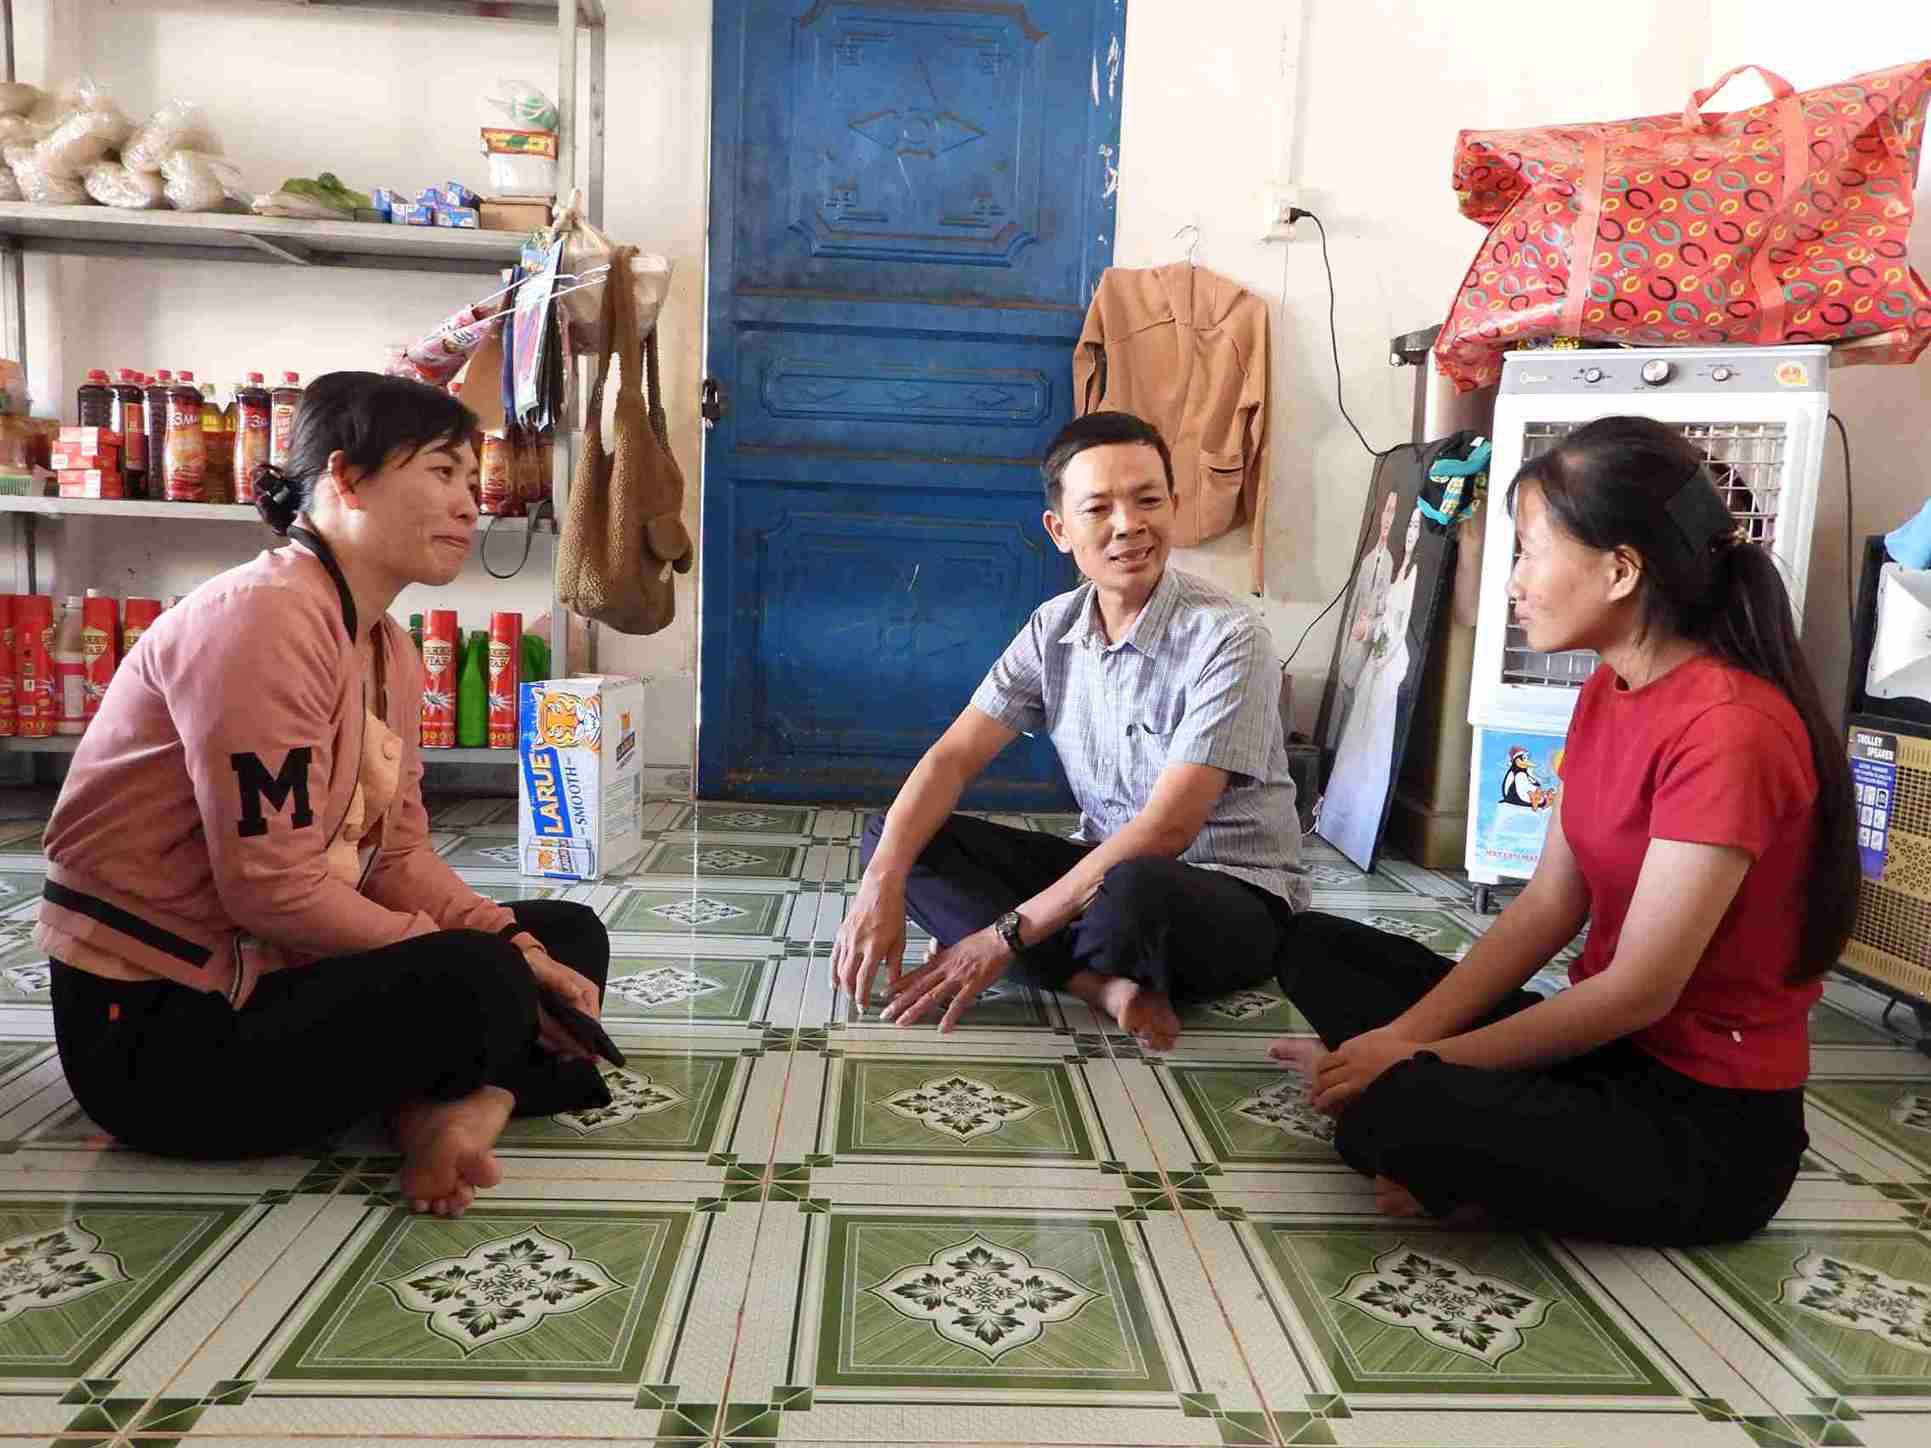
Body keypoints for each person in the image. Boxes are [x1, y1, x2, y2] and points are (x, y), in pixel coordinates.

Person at [1272, 415, 1857, 1245]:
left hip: (1705, 1128)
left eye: (1528, 552)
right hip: (1602, 1055)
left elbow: (1637, 991)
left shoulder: (1730, 729)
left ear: (1620, 570)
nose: (1512, 581)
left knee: (1394, 1110)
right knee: (1319, 948)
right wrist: (1398, 1038)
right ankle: (1438, 1140)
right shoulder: (1605, 693)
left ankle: (1440, 1153)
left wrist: (1410, 1067)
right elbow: (1546, 907)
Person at [39, 372, 612, 1219]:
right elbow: (268, 889)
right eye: (441, 473)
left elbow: (402, 855)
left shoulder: (382, 643)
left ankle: (445, 1111)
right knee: (482, 978)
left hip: (271, 969)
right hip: (159, 1035)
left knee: (564, 934)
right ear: (345, 478)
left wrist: (510, 942)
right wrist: (490, 961)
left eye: (468, 478)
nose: (468, 506)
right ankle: (454, 1101)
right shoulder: (261, 620)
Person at [832, 411, 1308, 1049]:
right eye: (1099, 508)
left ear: (1174, 506)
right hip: (1102, 871)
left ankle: (1056, 960)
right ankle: (1100, 987)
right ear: (1059, 529)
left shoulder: (1229, 636)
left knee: (1134, 897)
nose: (1128, 525)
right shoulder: (1052, 627)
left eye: (1147, 501)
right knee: (893, 838)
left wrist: (999, 934)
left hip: (1227, 892)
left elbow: (1168, 830)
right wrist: (878, 886)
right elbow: (952, 758)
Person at [1316, 503, 1424, 867]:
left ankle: (1361, 819)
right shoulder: (1379, 562)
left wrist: (1376, 635)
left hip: (1388, 661)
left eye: (1411, 527)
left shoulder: (1410, 574)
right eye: (1397, 522)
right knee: (1355, 736)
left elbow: (1397, 626)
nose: (1405, 532)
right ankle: (1339, 813)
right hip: (1373, 657)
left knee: (1373, 738)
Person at [1326, 491, 1398, 752]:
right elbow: (1353, 603)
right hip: (1352, 638)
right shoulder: (1368, 558)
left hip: (1367, 643)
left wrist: (1370, 625)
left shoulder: (1389, 561)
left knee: (1355, 699)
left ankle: (1345, 749)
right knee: (1343, 693)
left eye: (1393, 512)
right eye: (1386, 511)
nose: (1388, 518)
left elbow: (1385, 608)